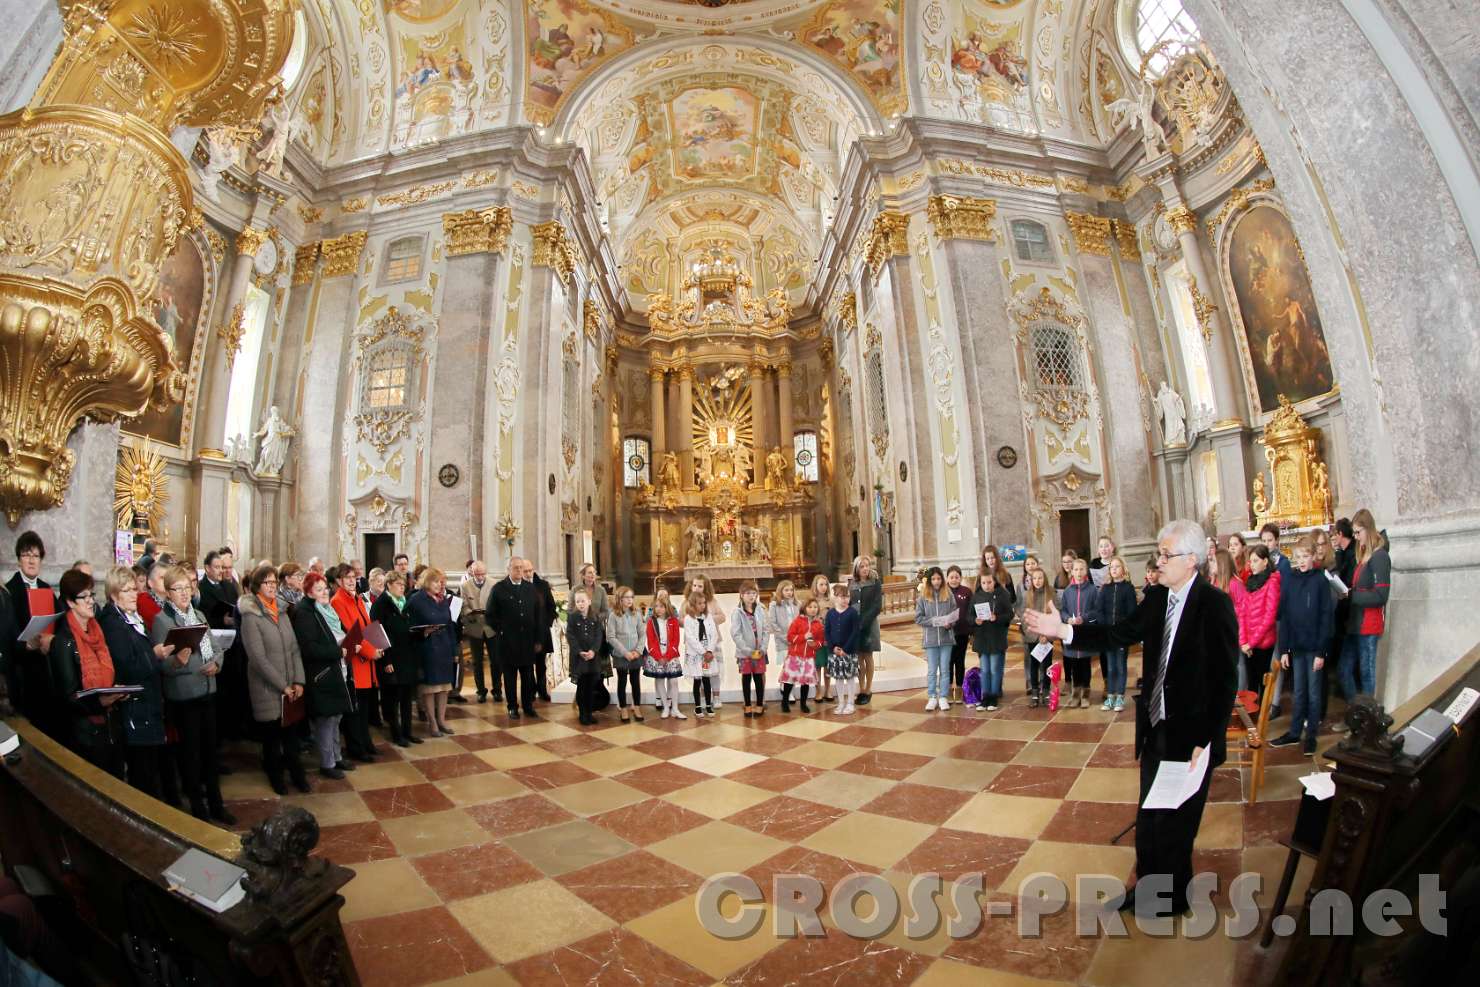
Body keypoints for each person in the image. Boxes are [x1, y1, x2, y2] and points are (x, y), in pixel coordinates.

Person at [1024, 519, 1238, 918]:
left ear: (1191, 560)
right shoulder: (1158, 599)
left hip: (1191, 734)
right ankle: (1146, 887)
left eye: (1164, 555)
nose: (1157, 563)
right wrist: (1064, 632)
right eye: (1158, 554)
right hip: (1155, 725)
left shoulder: (1214, 605)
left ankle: (1172, 897)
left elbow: (1226, 680)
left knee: (1177, 821)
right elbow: (1116, 634)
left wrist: (1205, 740)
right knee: (1149, 814)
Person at [151, 565, 232, 823]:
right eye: (179, 589)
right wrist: (178, 661)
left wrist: (217, 663)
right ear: (168, 593)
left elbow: (216, 648)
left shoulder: (198, 614)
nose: (185, 593)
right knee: (191, 755)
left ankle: (217, 803)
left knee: (210, 752)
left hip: (208, 692)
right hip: (184, 698)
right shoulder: (162, 621)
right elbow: (161, 666)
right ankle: (199, 807)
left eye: (188, 587)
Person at [96, 565, 176, 803]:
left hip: (148, 705)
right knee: (142, 778)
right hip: (134, 710)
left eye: (135, 588)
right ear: (113, 595)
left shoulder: (132, 617)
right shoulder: (112, 623)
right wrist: (156, 655)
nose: (134, 594)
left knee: (151, 772)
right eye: (127, 590)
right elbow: (128, 667)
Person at [46, 568, 125, 777]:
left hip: (109, 728)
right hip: (85, 734)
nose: (91, 601)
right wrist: (100, 702)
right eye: (84, 597)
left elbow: (108, 671)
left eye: (92, 594)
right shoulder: (64, 641)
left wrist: (115, 691)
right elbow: (68, 696)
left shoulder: (97, 630)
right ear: (70, 602)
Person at [239, 564, 309, 794]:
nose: (271, 586)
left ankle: (298, 775)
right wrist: (283, 685)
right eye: (267, 583)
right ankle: (276, 778)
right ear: (257, 587)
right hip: (267, 688)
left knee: (291, 736)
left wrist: (298, 681)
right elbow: (258, 659)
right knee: (271, 739)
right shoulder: (251, 616)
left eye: (273, 582)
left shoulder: (282, 610)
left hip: (290, 684)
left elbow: (295, 648)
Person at [1271, 537, 1334, 755]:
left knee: (1314, 694)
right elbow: (1285, 616)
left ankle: (1311, 736)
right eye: (1298, 557)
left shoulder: (1320, 581)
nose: (1302, 561)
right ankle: (1294, 732)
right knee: (1298, 692)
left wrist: (1321, 651)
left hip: (1315, 647)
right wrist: (1285, 649)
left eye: (1305, 556)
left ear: (1313, 556)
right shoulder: (1290, 580)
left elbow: (1326, 617)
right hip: (1296, 647)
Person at [292, 572, 353, 779]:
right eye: (319, 589)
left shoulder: (320, 609)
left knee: (336, 717)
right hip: (320, 674)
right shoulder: (304, 612)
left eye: (325, 588)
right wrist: (337, 651)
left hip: (331, 670)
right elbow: (309, 648)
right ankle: (327, 764)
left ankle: (336, 757)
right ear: (309, 591)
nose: (325, 592)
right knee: (326, 720)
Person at [1336, 509, 1390, 715]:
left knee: (1367, 674)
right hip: (1355, 622)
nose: (1356, 537)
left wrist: (1352, 595)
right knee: (1344, 670)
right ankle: (1356, 715)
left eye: (1358, 532)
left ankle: (1369, 722)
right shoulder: (1363, 556)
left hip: (1369, 624)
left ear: (1368, 529)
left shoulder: (1379, 557)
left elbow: (1380, 596)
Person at [330, 564, 379, 762]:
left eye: (353, 577)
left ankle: (366, 742)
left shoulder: (358, 598)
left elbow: (367, 626)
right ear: (339, 581)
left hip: (366, 660)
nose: (351, 580)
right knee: (355, 708)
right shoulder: (338, 601)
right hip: (355, 661)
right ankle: (356, 748)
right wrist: (371, 651)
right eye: (347, 577)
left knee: (365, 706)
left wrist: (379, 645)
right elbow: (352, 632)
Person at [7, 531, 55, 726]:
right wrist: (26, 646)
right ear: (19, 560)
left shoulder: (46, 588)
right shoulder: (9, 591)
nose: (32, 560)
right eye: (26, 555)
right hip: (22, 671)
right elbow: (7, 635)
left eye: (36, 556)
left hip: (45, 666)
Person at [407, 567, 458, 736]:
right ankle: (432, 722)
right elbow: (409, 627)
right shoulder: (416, 600)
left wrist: (454, 650)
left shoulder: (442, 600)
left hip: (443, 647)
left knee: (444, 687)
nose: (440, 585)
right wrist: (423, 632)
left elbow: (450, 625)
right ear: (427, 582)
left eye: (441, 581)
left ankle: (442, 719)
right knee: (430, 688)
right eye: (436, 581)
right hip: (427, 648)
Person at [371, 570, 419, 746]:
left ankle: (408, 732)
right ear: (389, 585)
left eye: (403, 585)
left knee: (407, 697)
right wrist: (386, 661)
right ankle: (396, 734)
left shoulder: (405, 603)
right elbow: (376, 634)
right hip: (390, 658)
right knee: (392, 698)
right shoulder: (381, 604)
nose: (402, 588)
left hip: (407, 656)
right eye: (398, 584)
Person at [491, 557, 543, 719]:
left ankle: (528, 705)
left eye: (521, 568)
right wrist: (502, 631)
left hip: (528, 641)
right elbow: (491, 615)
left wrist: (538, 640)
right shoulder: (499, 589)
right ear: (508, 569)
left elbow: (538, 615)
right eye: (516, 568)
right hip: (508, 641)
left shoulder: (530, 588)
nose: (519, 571)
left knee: (528, 676)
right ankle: (512, 706)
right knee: (510, 676)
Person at [1230, 544, 1281, 705]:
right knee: (1251, 684)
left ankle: (1260, 721)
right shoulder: (1250, 581)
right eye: (1250, 561)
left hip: (1263, 643)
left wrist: (1251, 643)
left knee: (1261, 681)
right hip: (1249, 644)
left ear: (1265, 561)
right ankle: (1251, 722)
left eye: (1256, 560)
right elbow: (1243, 613)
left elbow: (1269, 617)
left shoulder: (1272, 582)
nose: (1252, 564)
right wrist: (1243, 641)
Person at [1096, 558, 1138, 712]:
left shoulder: (1128, 588)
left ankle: (1120, 695)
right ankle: (1110, 696)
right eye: (1111, 567)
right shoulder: (1105, 588)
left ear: (1123, 569)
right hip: (1108, 634)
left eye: (1117, 566)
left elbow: (1132, 612)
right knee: (1111, 667)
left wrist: (1122, 628)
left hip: (1121, 634)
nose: (1113, 569)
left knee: (1120, 666)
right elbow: (1099, 610)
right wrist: (1105, 626)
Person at [1056, 558, 1099, 708]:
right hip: (1072, 632)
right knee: (1074, 664)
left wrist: (1084, 618)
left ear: (1086, 571)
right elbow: (1063, 610)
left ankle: (1086, 693)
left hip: (1085, 630)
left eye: (1082, 569)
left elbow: (1096, 611)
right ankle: (1075, 694)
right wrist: (1067, 618)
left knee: (1085, 664)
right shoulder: (1067, 591)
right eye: (1076, 570)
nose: (1079, 573)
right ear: (1071, 572)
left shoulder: (1093, 590)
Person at [970, 569, 1013, 711]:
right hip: (982, 638)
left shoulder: (1003, 595)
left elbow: (1010, 614)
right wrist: (975, 620)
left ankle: (993, 696)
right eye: (983, 582)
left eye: (989, 582)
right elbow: (968, 616)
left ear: (994, 581)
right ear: (980, 583)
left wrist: (997, 618)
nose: (987, 585)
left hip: (996, 637)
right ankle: (985, 696)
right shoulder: (976, 596)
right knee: (985, 669)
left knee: (995, 669)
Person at [915, 566, 956, 711]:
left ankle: (943, 697)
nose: (936, 581)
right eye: (933, 579)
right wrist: (933, 621)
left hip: (946, 639)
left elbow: (954, 614)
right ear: (929, 581)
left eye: (939, 578)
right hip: (931, 639)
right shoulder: (923, 597)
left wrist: (950, 623)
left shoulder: (948, 594)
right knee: (932, 670)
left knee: (945, 670)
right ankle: (932, 696)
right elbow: (918, 618)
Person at [459, 560, 498, 704]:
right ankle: (481, 691)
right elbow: (463, 605)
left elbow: (498, 604)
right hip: (474, 625)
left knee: (496, 660)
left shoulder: (494, 583)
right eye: (477, 574)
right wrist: (471, 612)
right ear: (472, 573)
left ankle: (497, 690)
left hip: (490, 626)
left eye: (482, 574)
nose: (480, 577)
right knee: (477, 661)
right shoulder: (465, 585)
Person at [1017, 567, 1056, 707]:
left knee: (1047, 665)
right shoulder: (1027, 595)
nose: (1037, 581)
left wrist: (1046, 635)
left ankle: (1045, 691)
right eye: (1034, 578)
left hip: (1047, 637)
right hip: (1033, 637)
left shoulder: (1051, 593)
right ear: (1031, 581)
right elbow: (1024, 617)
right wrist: (1035, 634)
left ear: (1044, 579)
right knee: (1033, 665)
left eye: (1040, 578)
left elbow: (1055, 616)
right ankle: (1034, 692)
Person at [567, 588, 606, 726]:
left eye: (583, 601)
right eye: (578, 601)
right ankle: (582, 713)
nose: (580, 604)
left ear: (589, 601)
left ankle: (589, 712)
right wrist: (579, 651)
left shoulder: (595, 617)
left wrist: (593, 651)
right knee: (581, 687)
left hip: (592, 658)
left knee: (590, 687)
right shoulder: (572, 617)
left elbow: (598, 636)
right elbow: (570, 636)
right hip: (579, 659)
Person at [731, 580, 769, 717]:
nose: (751, 596)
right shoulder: (737, 612)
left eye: (754, 593)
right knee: (746, 679)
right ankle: (747, 705)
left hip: (759, 652)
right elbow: (736, 634)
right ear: (741, 595)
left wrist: (763, 648)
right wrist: (748, 651)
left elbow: (765, 630)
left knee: (759, 678)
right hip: (745, 653)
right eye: (748, 593)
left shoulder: (760, 609)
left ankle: (759, 704)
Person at [848, 555, 883, 705]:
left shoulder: (875, 582)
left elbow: (877, 605)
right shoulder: (852, 583)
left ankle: (868, 689)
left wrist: (864, 621)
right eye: (862, 566)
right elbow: (849, 603)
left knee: (868, 656)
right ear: (857, 568)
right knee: (858, 659)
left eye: (867, 565)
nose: (865, 569)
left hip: (869, 625)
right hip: (855, 625)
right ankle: (861, 689)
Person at [607, 586, 645, 722]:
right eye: (627, 597)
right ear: (620, 599)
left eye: (631, 597)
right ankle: (623, 708)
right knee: (622, 682)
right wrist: (625, 653)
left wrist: (638, 651)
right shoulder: (613, 615)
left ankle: (637, 706)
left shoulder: (637, 613)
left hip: (635, 654)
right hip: (621, 654)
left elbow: (642, 634)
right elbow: (610, 637)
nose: (630, 600)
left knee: (635, 682)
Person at [644, 592, 684, 719]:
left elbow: (675, 640)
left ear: (667, 607)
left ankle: (675, 708)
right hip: (657, 656)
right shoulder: (651, 622)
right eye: (656, 606)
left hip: (670, 655)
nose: (659, 609)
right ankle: (666, 707)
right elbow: (650, 641)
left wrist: (668, 655)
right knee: (660, 680)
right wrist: (658, 656)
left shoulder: (673, 621)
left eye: (662, 606)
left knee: (674, 681)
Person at [780, 594, 821, 714]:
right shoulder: (797, 621)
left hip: (808, 658)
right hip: (794, 656)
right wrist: (803, 637)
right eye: (810, 607)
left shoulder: (818, 624)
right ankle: (784, 701)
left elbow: (821, 641)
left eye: (815, 607)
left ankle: (803, 704)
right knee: (789, 681)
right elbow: (790, 637)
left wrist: (816, 645)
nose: (813, 609)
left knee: (806, 682)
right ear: (804, 608)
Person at [824, 583, 861, 714]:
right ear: (835, 597)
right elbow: (827, 632)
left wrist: (846, 649)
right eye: (841, 597)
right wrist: (833, 647)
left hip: (849, 652)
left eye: (847, 597)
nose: (845, 600)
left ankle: (850, 703)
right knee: (838, 678)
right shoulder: (830, 614)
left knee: (850, 677)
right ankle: (841, 702)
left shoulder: (852, 613)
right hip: (834, 652)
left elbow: (855, 632)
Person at [682, 588, 720, 717]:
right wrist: (703, 652)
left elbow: (714, 634)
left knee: (707, 680)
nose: (702, 605)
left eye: (704, 603)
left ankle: (708, 706)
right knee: (697, 681)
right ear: (692, 604)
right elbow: (691, 638)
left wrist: (709, 650)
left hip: (707, 653)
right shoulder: (688, 619)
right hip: (696, 654)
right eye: (699, 603)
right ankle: (698, 706)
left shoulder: (708, 617)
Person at [527, 561, 557, 701]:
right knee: (527, 663)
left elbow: (551, 607)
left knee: (541, 663)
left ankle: (542, 689)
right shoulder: (519, 585)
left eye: (530, 570)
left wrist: (546, 623)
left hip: (541, 630)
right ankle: (530, 690)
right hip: (526, 632)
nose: (527, 573)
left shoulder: (542, 585)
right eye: (525, 571)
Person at [808, 574, 834, 701]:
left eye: (825, 584)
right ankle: (818, 691)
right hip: (816, 637)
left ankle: (828, 691)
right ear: (815, 586)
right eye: (821, 584)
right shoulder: (811, 602)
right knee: (817, 666)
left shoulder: (831, 601)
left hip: (828, 637)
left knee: (828, 666)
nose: (824, 587)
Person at [766, 580, 799, 668]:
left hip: (797, 640)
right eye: (786, 590)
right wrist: (786, 638)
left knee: (796, 667)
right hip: (782, 640)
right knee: (787, 666)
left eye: (791, 590)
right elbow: (772, 623)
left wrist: (797, 638)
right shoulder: (774, 605)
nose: (789, 592)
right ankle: (784, 682)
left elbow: (801, 621)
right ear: (780, 591)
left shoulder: (797, 604)